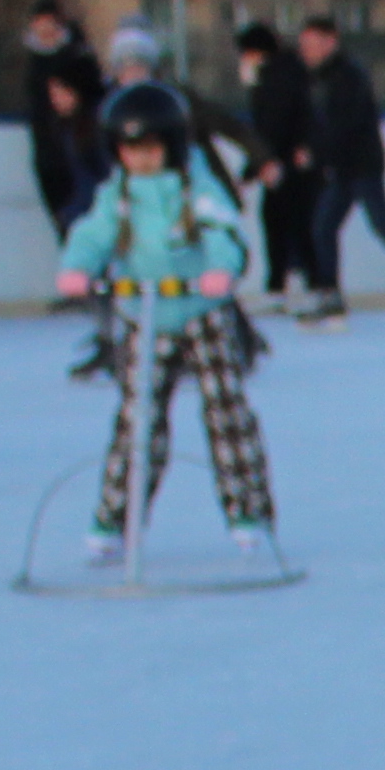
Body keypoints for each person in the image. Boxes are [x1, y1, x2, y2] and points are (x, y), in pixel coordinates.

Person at [50, 86, 275, 563]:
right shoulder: (120, 195)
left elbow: (222, 230)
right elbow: (93, 233)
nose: (143, 160)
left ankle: (247, 512)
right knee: (138, 420)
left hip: (200, 314)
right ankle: (115, 518)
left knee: (226, 412)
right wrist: (79, 266)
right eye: (132, 151)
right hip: (143, 318)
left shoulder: (197, 187)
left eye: (152, 150)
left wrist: (221, 270)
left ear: (171, 146)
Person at [290, 13, 385, 324]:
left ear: (331, 43)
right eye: (304, 45)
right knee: (323, 226)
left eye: (313, 45)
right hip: (344, 166)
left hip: (363, 165)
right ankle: (331, 298)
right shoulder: (322, 77)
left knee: (381, 226)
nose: (307, 51)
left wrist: (315, 152)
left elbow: (343, 122)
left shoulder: (347, 75)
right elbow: (322, 123)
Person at [231, 21, 318, 306]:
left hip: (284, 165)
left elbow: (271, 127)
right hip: (286, 162)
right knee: (290, 225)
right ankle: (296, 282)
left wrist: (254, 168)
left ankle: (286, 284)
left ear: (256, 52)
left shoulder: (275, 79)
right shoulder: (286, 72)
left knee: (283, 224)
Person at [22, 5, 106, 234]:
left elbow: (98, 187)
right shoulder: (68, 129)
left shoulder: (93, 130)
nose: (54, 99)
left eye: (60, 91)